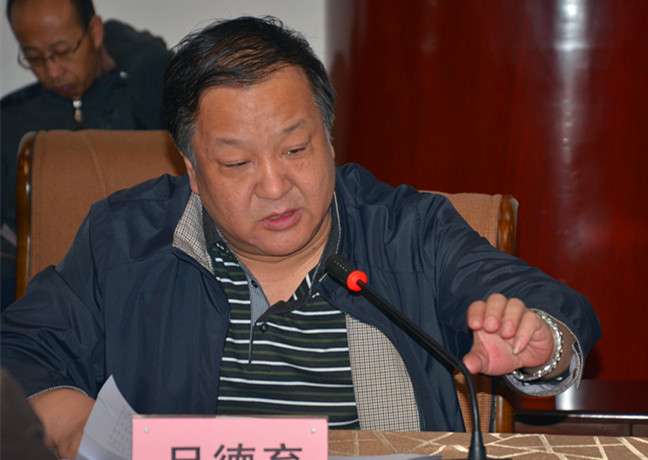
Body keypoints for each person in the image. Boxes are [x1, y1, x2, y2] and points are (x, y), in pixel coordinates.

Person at [1, 16, 602, 459]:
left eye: (295, 149)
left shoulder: (407, 231)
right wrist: (67, 417)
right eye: (237, 163)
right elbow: (22, 347)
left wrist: (540, 342)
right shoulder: (125, 239)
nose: (275, 186)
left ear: (330, 140)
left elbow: (543, 308)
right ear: (192, 170)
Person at [0, 0, 171, 308]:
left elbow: (158, 66)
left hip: (142, 294)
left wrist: (119, 41)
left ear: (94, 32)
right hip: (39, 303)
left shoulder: (143, 97)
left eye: (64, 51)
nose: (53, 71)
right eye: (34, 57)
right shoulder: (9, 122)